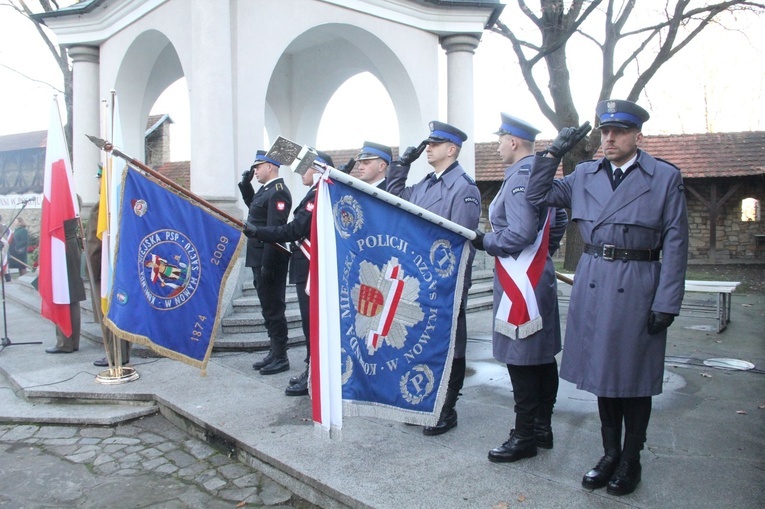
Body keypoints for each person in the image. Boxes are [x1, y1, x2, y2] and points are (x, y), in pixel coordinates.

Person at [525, 99, 689, 496]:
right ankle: (609, 452)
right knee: (603, 374)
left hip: (638, 282)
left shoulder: (663, 177)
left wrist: (667, 301)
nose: (609, 138)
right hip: (595, 279)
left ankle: (631, 458)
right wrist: (551, 154)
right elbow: (535, 196)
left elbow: (677, 241)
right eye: (605, 132)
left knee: (633, 376)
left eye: (618, 131)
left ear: (637, 136)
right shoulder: (584, 174)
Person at [472, 113, 568, 462]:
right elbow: (558, 220)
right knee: (541, 358)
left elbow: (522, 233)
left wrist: (487, 241)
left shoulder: (518, 178)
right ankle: (542, 427)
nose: (497, 146)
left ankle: (524, 433)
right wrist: (544, 253)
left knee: (522, 358)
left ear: (513, 142)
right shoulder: (535, 175)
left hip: (520, 281)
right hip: (535, 275)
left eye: (500, 140)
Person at [387, 120, 481, 436]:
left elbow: (459, 241)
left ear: (451, 149)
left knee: (450, 345)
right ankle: (424, 401)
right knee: (424, 344)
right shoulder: (426, 184)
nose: (428, 148)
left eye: (435, 144)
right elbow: (394, 195)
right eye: (428, 143)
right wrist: (402, 165)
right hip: (420, 280)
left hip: (445, 282)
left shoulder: (463, 188)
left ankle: (446, 408)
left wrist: (445, 281)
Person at [244, 150, 333, 396]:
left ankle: (308, 369)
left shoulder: (312, 194)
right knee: (306, 322)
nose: (300, 172)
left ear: (319, 169)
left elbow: (293, 229)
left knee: (308, 321)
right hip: (303, 264)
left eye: (305, 167)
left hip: (306, 264)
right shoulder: (314, 193)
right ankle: (308, 368)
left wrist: (258, 234)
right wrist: (245, 187)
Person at [239, 150, 293, 375]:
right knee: (267, 306)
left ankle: (281, 356)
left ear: (270, 166)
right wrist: (246, 186)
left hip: (269, 258)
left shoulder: (279, 192)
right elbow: (256, 209)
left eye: (258, 167)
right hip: (259, 256)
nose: (255, 171)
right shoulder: (266, 191)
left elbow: (275, 232)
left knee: (274, 308)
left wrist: (268, 265)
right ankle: (274, 350)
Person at [87, 197, 131, 367]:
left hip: (106, 266)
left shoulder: (103, 205)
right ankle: (123, 353)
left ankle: (115, 354)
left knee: (108, 309)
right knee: (121, 307)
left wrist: (91, 271)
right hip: (124, 264)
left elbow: (94, 244)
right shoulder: (124, 197)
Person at [45, 216, 87, 354]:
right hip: (70, 244)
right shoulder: (74, 198)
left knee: (62, 295)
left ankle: (65, 343)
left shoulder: (63, 199)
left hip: (62, 245)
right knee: (72, 297)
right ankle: (72, 341)